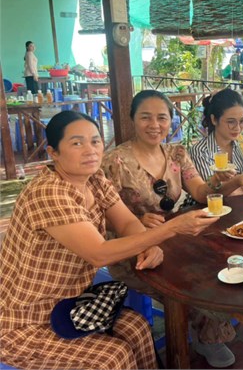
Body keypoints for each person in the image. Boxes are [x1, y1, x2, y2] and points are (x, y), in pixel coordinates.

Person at [0, 111, 217, 369]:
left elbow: (126, 223)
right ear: (53, 152)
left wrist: (149, 245)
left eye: (95, 141)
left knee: (137, 328)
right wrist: (171, 229)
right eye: (77, 143)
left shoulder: (94, 180)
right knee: (113, 357)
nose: (90, 150)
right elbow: (99, 253)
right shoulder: (48, 192)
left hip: (71, 302)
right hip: (23, 318)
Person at [102, 90, 243, 368]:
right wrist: (138, 221)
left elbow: (201, 192)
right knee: (192, 282)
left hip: (177, 235)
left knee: (220, 263)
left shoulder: (177, 153)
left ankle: (207, 329)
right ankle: (205, 337)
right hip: (135, 248)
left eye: (162, 118)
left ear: (170, 121)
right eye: (145, 117)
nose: (154, 125)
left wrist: (225, 181)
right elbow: (101, 212)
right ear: (133, 119)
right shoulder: (114, 161)